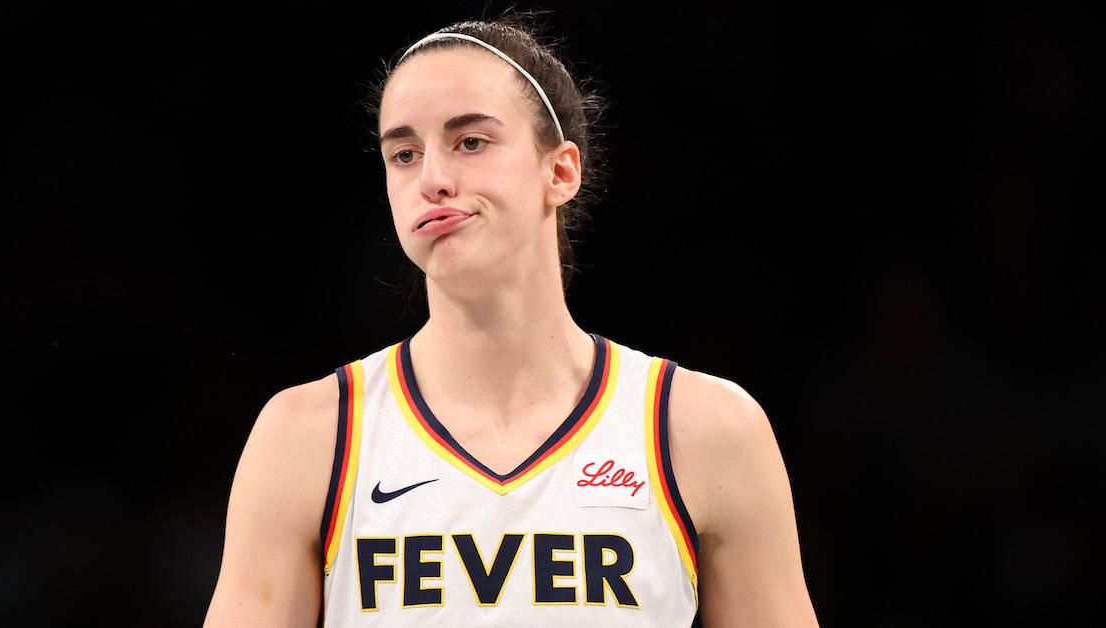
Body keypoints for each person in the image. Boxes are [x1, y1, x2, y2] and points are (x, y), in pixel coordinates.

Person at [203, 10, 819, 627]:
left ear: (560, 170)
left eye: (471, 141)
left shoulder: (705, 429)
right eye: (405, 154)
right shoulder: (308, 437)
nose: (433, 179)